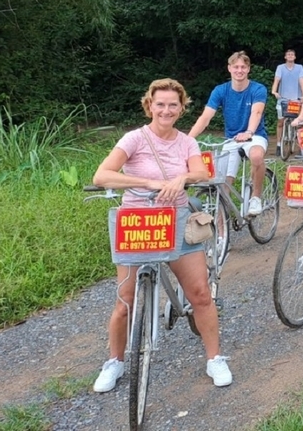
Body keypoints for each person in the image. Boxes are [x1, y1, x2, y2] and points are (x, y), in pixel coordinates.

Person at [91, 79, 232, 392]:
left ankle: (215, 357)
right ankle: (114, 361)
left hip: (176, 221)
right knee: (124, 300)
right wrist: (149, 184)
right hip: (138, 223)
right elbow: (102, 175)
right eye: (160, 104)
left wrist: (182, 176)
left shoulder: (186, 143)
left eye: (173, 105)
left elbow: (201, 173)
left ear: (181, 108)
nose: (166, 110)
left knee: (200, 295)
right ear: (149, 106)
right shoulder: (134, 139)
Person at [188, 51, 268, 216]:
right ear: (229, 68)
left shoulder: (258, 89)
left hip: (254, 135)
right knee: (223, 183)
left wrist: (249, 132)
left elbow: (257, 112)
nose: (239, 70)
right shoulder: (220, 90)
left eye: (243, 67)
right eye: (236, 67)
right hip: (231, 138)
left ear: (248, 69)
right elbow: (205, 117)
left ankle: (256, 197)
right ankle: (223, 220)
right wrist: (188, 139)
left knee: (256, 156)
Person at [271, 48, 303, 157]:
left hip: (296, 99)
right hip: (283, 98)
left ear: (295, 57)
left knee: (299, 123)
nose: (290, 56)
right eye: (288, 54)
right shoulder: (280, 68)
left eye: (292, 54)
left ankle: (301, 147)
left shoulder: (299, 68)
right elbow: (277, 80)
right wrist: (274, 91)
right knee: (280, 122)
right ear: (285, 57)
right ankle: (278, 145)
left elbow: (301, 81)